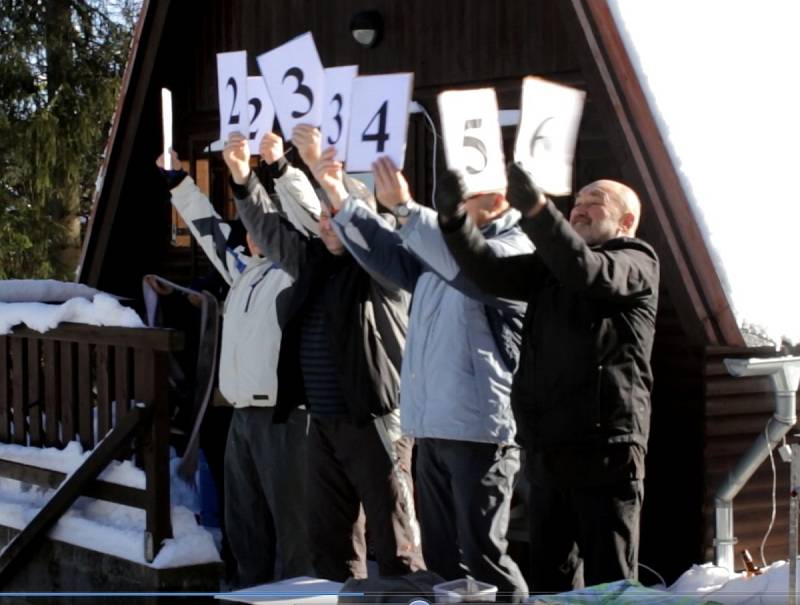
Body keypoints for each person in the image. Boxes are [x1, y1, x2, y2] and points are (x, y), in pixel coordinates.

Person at [307, 143, 531, 599]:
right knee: (446, 563)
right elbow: (387, 253)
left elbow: (472, 270)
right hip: (432, 429)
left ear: (499, 199)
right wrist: (339, 195)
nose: (450, 209)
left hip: (481, 432)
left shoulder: (515, 251)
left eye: (462, 198)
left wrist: (408, 211)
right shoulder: (442, 252)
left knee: (485, 557)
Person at [438, 164, 660, 592]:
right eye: (575, 203)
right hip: (545, 451)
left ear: (626, 221)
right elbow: (488, 273)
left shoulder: (636, 261)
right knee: (549, 583)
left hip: (604, 452)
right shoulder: (551, 268)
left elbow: (588, 272)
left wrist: (538, 210)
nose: (578, 210)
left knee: (608, 584)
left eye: (594, 203)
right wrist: (454, 222)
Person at [222, 131, 425, 582]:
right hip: (323, 421)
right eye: (326, 218)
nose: (329, 223)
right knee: (330, 539)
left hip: (377, 420)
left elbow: (373, 234)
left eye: (339, 216)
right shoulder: (312, 262)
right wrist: (242, 179)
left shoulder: (380, 272)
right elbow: (269, 230)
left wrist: (315, 171)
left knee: (396, 540)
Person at [155, 152, 315, 587]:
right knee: (243, 523)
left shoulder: (300, 272)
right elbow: (211, 233)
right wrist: (179, 183)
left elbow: (311, 221)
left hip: (285, 415)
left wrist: (281, 170)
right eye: (248, 228)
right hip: (241, 414)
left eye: (260, 227)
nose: (250, 235)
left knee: (293, 526)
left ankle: (302, 595)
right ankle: (248, 592)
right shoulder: (245, 271)